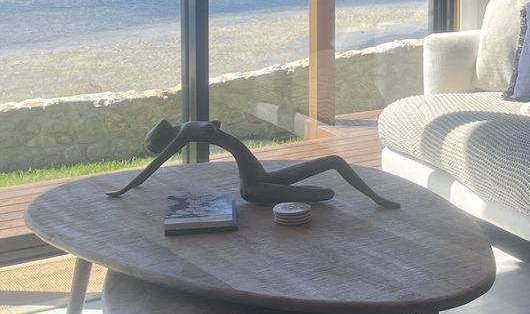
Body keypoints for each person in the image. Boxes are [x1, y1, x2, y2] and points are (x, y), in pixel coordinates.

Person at [105, 119, 399, 208]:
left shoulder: (186, 130)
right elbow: (155, 165)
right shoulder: (189, 129)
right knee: (324, 194)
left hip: (258, 179)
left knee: (333, 161)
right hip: (253, 186)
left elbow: (154, 165)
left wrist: (125, 188)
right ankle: (377, 199)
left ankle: (377, 198)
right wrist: (125, 188)